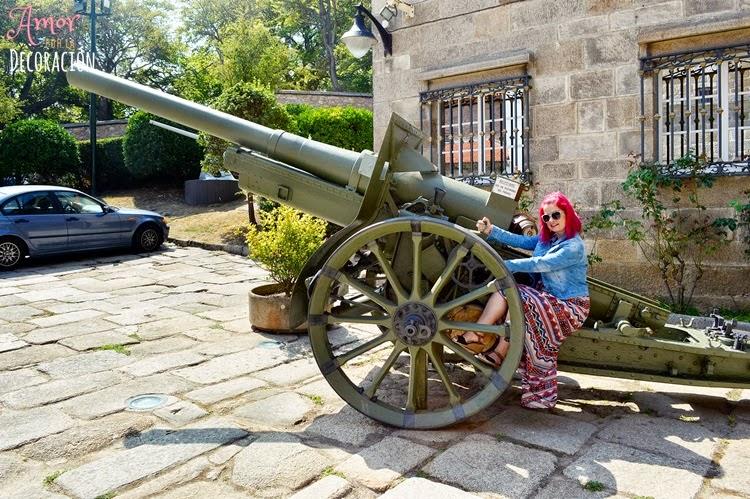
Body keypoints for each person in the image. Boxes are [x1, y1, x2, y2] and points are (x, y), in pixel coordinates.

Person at [462, 191, 590, 409]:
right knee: (511, 293)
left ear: (568, 214)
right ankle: (489, 344)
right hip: (548, 298)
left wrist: (506, 265)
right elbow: (519, 240)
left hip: (569, 307)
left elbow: (542, 263)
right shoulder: (548, 239)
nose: (551, 221)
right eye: (546, 217)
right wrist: (490, 230)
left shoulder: (573, 246)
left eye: (556, 215)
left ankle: (488, 341)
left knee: (516, 293)